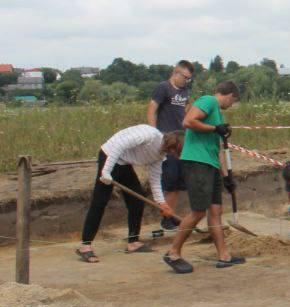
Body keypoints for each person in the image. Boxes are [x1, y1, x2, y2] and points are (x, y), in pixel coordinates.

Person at [163, 81, 243, 274]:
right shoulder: (208, 101)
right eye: (233, 101)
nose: (231, 105)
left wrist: (226, 177)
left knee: (215, 210)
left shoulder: (217, 114)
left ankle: (224, 256)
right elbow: (188, 121)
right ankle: (173, 253)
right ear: (230, 95)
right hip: (197, 162)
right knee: (198, 211)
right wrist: (215, 129)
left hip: (210, 164)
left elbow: (218, 150)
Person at [76, 126, 183, 262]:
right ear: (171, 144)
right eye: (174, 151)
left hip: (124, 162)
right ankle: (85, 246)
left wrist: (162, 203)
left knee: (137, 200)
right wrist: (106, 172)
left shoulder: (160, 156)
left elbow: (155, 179)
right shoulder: (148, 135)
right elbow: (119, 146)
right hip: (110, 155)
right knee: (100, 201)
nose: (173, 154)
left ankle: (133, 242)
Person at [147, 60, 194, 231]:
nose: (186, 81)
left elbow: (188, 110)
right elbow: (152, 109)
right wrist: (154, 135)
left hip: (182, 141)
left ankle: (170, 215)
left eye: (189, 79)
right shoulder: (163, 88)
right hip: (168, 142)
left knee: (179, 183)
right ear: (176, 72)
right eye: (185, 77)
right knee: (171, 180)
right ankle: (166, 218)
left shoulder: (185, 91)